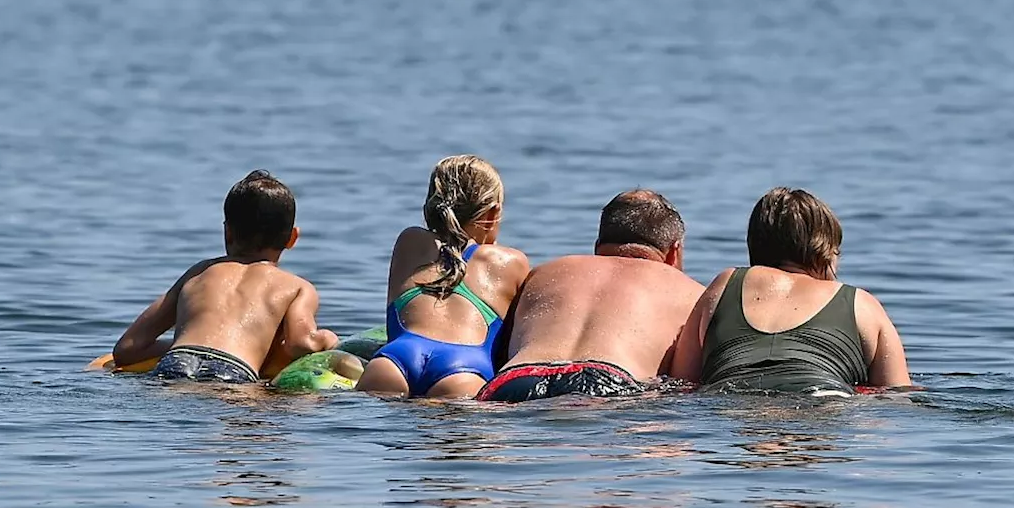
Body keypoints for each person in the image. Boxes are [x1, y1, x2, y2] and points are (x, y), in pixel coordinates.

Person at [670, 187, 911, 395]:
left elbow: (681, 380)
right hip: (824, 400)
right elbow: (897, 394)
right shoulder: (862, 304)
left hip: (732, 403)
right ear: (826, 251)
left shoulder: (725, 283)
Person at [476, 189, 705, 403]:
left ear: (598, 246)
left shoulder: (544, 272)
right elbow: (686, 382)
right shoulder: (688, 290)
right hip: (611, 382)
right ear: (675, 251)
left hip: (516, 378)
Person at [112, 170, 338, 383]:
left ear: (227, 231)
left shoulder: (200, 271)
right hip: (234, 370)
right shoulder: (298, 288)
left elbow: (128, 348)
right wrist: (328, 338)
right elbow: (301, 345)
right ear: (292, 238)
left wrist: (181, 345)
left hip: (176, 361)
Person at [357, 155, 531, 398]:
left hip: (393, 362)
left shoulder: (410, 241)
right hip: (463, 372)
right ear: (493, 214)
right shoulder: (510, 262)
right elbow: (509, 350)